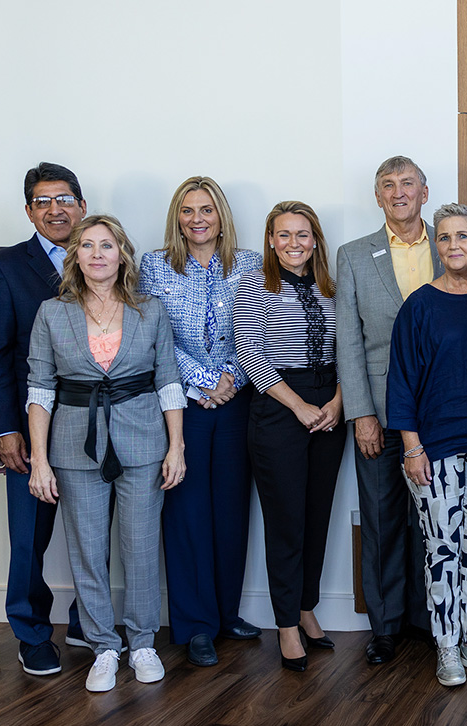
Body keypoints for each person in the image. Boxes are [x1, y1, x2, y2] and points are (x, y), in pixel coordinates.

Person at [26, 214, 186, 693]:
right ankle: (103, 647)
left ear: (122, 256)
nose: (97, 254)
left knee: (141, 548)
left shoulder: (149, 310)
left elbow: (168, 380)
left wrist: (176, 447)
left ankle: (142, 643)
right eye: (88, 245)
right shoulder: (51, 313)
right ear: (75, 255)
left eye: (107, 245)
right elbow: (40, 389)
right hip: (74, 447)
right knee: (88, 552)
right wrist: (39, 460)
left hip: (143, 443)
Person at [140, 176, 263, 668]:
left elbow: (258, 329)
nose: (197, 219)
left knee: (231, 510)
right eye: (188, 210)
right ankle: (195, 625)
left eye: (206, 209)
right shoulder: (154, 266)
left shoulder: (249, 263)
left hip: (238, 398)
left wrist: (230, 377)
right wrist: (203, 381)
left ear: (221, 216)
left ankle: (226, 613)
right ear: (177, 217)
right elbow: (153, 336)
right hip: (180, 404)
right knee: (187, 513)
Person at [388, 203, 467, 688]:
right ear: (436, 247)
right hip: (433, 449)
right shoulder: (419, 306)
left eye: (462, 236)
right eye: (443, 237)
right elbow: (401, 381)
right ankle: (447, 645)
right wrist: (411, 447)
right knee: (442, 550)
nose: (453, 245)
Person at [0, 162, 91, 676]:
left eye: (64, 199)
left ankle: (89, 621)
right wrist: (5, 430)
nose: (55, 209)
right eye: (43, 202)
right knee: (28, 539)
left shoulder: (105, 255)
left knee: (94, 531)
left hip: (95, 422)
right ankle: (30, 631)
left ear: (81, 206)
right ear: (29, 211)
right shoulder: (3, 268)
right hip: (30, 426)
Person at [334, 156, 444, 665]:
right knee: (381, 520)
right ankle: (385, 626)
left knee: (434, 519)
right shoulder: (354, 255)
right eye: (388, 185)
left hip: (441, 412)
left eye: (407, 183)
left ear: (425, 191)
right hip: (378, 411)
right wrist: (360, 413)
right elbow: (349, 342)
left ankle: (427, 619)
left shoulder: (450, 243)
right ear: (377, 197)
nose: (398, 192)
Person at [234, 201, 345, 673]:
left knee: (318, 515)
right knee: (286, 521)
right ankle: (284, 623)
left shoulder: (331, 288)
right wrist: (298, 406)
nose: (293, 243)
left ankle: (306, 607)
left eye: (302, 234)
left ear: (315, 240)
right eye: (284, 234)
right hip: (279, 407)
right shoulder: (254, 285)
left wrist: (338, 401)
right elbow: (248, 353)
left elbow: (347, 348)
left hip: (330, 406)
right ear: (271, 240)